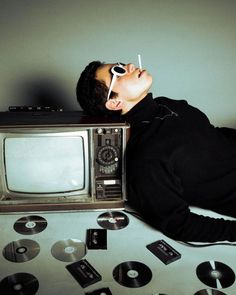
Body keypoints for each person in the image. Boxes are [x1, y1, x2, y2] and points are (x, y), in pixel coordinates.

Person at [76, 61, 236, 242]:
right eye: (118, 72)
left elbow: (210, 134)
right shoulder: (146, 154)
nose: (128, 65)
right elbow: (178, 223)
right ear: (114, 103)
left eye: (121, 64)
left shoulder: (166, 104)